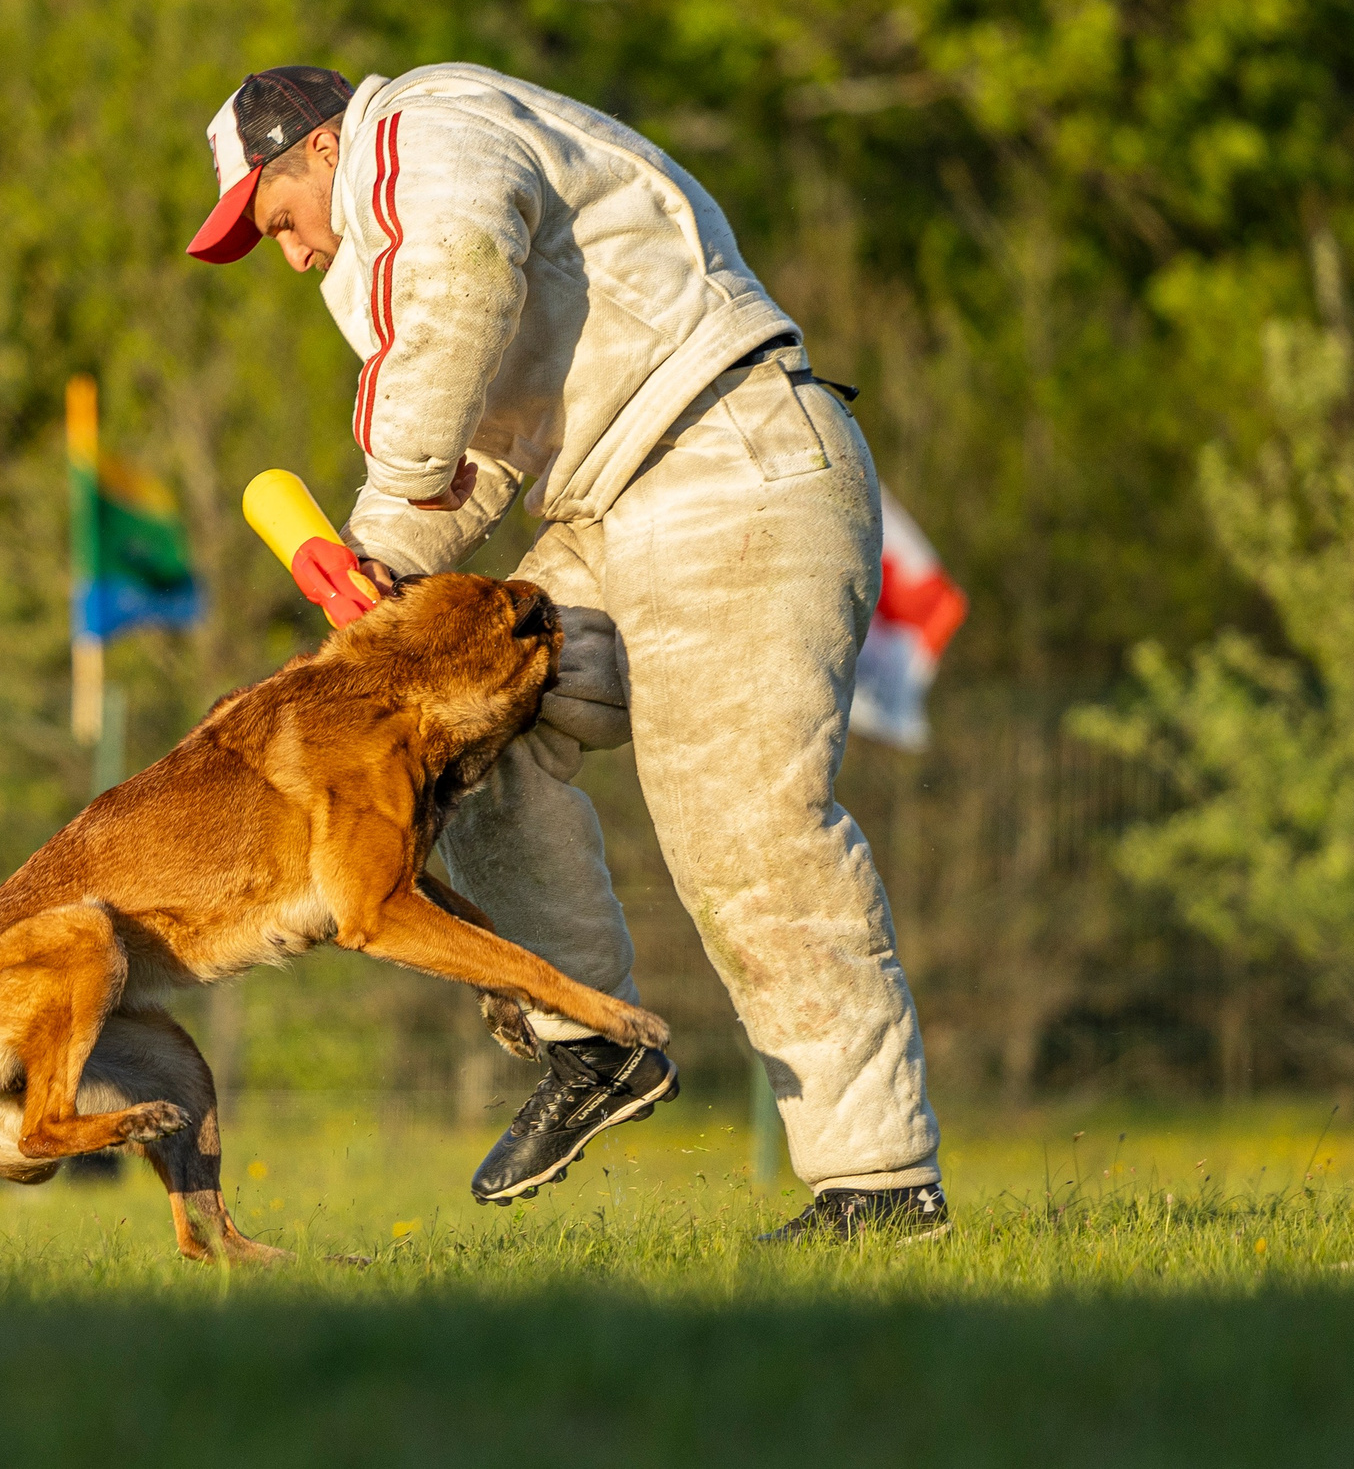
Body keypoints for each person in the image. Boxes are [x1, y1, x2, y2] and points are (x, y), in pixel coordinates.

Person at [185, 64, 947, 1240]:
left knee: (745, 828)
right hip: (608, 503)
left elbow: (459, 289)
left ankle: (881, 1185)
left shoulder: (425, 134)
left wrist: (385, 512)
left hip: (729, 460)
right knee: (460, 744)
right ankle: (591, 1041)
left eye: (275, 220)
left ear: (323, 148)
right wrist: (380, 570)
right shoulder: (401, 216)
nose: (287, 256)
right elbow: (480, 449)